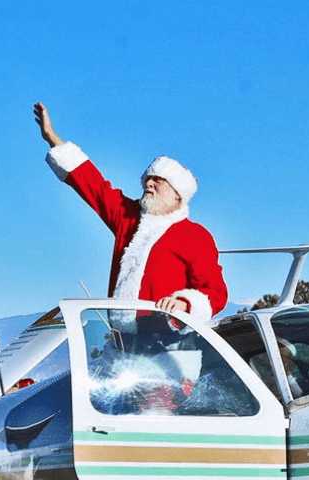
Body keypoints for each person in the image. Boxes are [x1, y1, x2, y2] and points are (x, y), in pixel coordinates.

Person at [34, 103, 228, 320]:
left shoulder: (195, 236)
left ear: (177, 194)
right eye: (147, 179)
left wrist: (184, 304)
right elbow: (95, 187)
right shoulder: (128, 218)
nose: (149, 183)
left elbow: (216, 293)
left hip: (169, 339)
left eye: (158, 180)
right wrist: (52, 138)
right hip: (121, 339)